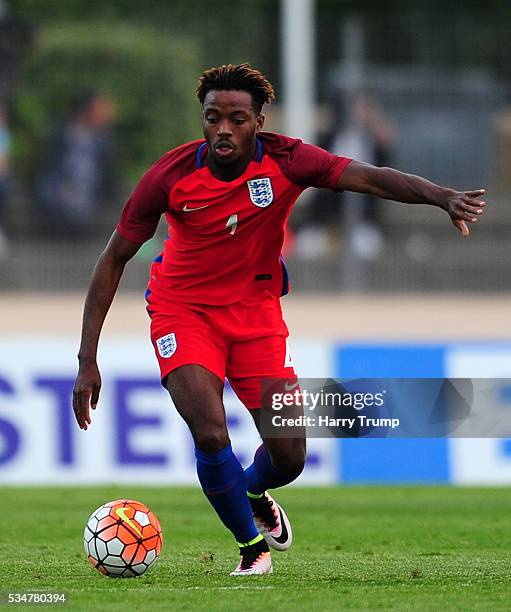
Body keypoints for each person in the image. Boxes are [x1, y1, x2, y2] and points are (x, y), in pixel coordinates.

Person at [72, 63, 487, 577]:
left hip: (257, 316)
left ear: (258, 121)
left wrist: (441, 196)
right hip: (183, 311)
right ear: (203, 120)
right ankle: (251, 548)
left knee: (289, 455)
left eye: (237, 118)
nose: (224, 129)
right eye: (213, 118)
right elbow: (112, 258)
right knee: (209, 430)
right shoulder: (169, 176)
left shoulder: (289, 160)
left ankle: (252, 489)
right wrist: (87, 358)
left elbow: (370, 179)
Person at [37, 91, 116, 237]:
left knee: (81, 200)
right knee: (55, 194)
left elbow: (107, 175)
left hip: (89, 187)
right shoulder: (62, 134)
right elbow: (50, 165)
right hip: (62, 184)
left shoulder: (102, 141)